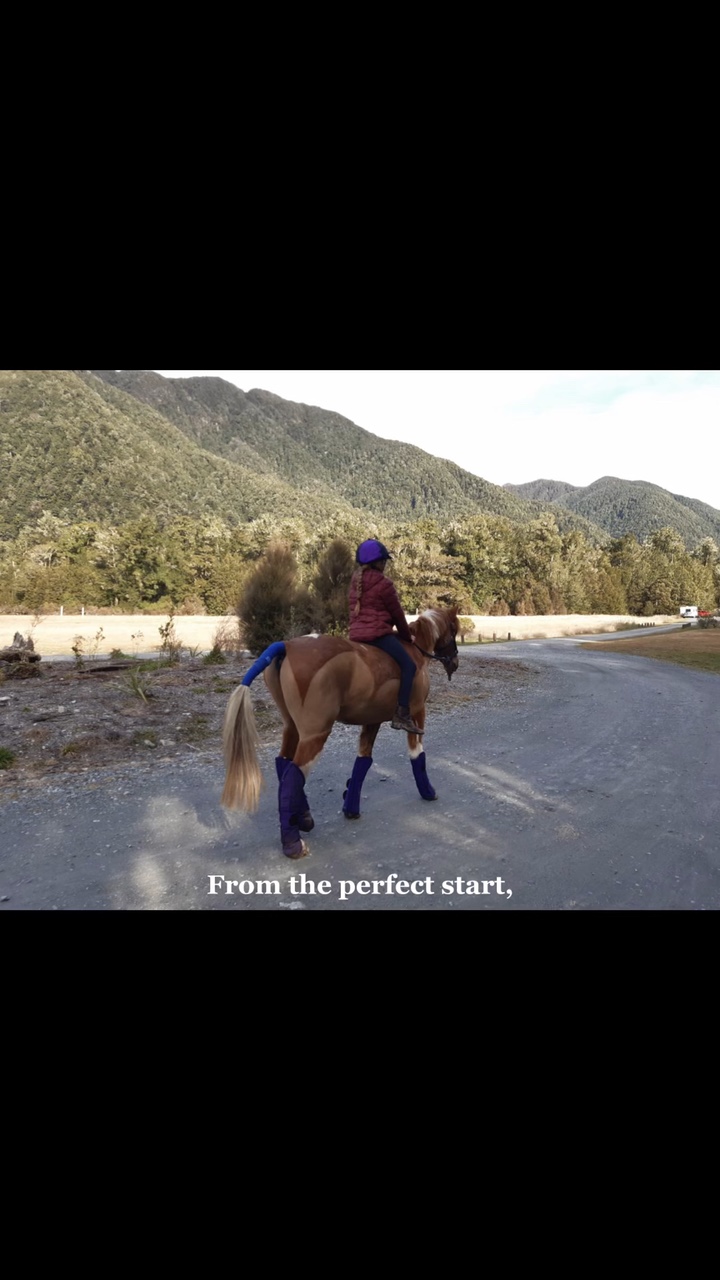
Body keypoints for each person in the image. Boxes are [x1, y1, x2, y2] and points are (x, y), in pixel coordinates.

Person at [349, 540, 421, 733]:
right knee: (409, 666)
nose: (385, 565)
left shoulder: (355, 581)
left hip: (356, 637)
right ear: (379, 563)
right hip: (378, 637)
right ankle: (402, 714)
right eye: (384, 561)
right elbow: (397, 615)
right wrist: (407, 636)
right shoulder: (384, 584)